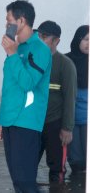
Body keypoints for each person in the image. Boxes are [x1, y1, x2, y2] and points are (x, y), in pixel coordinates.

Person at [0, 0, 51, 193]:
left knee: (25, 181)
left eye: (8, 20)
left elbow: (28, 83)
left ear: (22, 21)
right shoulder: (18, 48)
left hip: (27, 121)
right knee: (18, 181)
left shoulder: (40, 49)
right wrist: (2, 120)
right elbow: (9, 87)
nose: (6, 25)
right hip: (11, 121)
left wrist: (12, 54)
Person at [36, 21, 77, 183]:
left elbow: (70, 98)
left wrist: (67, 128)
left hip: (55, 124)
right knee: (27, 166)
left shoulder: (65, 65)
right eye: (38, 36)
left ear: (56, 41)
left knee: (57, 169)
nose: (39, 40)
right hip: (34, 123)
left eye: (44, 37)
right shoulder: (32, 60)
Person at [66, 25, 89, 174]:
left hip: (88, 119)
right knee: (76, 160)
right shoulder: (67, 61)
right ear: (78, 40)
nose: (89, 43)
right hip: (71, 119)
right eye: (86, 39)